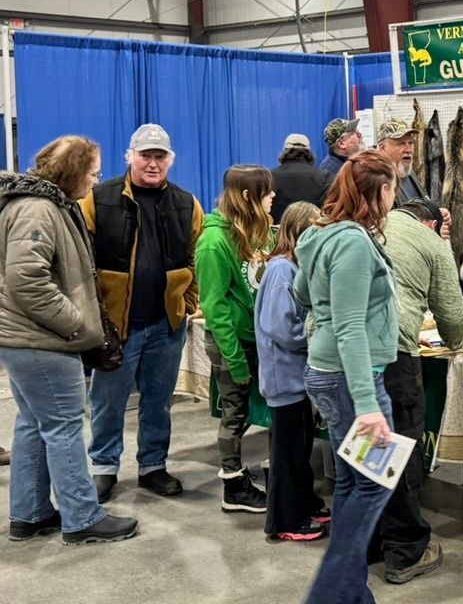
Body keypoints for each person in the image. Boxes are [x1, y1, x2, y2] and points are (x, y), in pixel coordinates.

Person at [0, 136, 138, 544]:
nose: (96, 181)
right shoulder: (38, 209)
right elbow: (27, 280)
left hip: (28, 340)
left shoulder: (37, 205)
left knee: (32, 425)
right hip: (43, 341)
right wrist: (77, 325)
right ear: (74, 171)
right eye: (93, 172)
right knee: (62, 426)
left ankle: (30, 513)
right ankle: (82, 518)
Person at [295, 150, 399, 604]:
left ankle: (351, 593)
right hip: (351, 378)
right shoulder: (353, 242)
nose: (395, 196)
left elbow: (300, 291)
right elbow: (351, 326)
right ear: (379, 192)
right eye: (393, 187)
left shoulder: (320, 234)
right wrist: (370, 404)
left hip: (327, 372)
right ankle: (330, 594)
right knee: (375, 482)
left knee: (356, 482)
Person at [80, 123, 203, 504]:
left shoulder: (187, 203)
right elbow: (79, 260)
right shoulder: (97, 199)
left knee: (157, 401)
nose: (153, 163)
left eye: (160, 156)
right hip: (117, 328)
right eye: (145, 155)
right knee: (107, 402)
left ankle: (153, 466)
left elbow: (196, 257)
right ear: (129, 156)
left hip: (166, 327)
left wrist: (188, 304)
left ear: (170, 160)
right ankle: (104, 468)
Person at [377, 197, 463, 584]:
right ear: (431, 224)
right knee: (402, 448)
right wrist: (454, 341)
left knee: (371, 449)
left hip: (343, 355)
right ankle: (405, 550)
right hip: (394, 353)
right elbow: (451, 312)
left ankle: (371, 540)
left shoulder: (364, 226)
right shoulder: (429, 241)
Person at [195, 164, 275, 513]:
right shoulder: (213, 242)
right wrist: (235, 358)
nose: (274, 196)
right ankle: (233, 484)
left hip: (264, 341)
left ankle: (277, 473)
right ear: (247, 197)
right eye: (267, 192)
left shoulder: (263, 231)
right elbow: (214, 306)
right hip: (233, 343)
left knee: (275, 408)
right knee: (235, 414)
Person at [254, 201, 329, 542]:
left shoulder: (295, 268)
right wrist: (317, 335)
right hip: (284, 379)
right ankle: (284, 520)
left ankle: (305, 502)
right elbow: (280, 327)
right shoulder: (281, 270)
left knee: (300, 451)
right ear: (299, 232)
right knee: (286, 454)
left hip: (298, 380)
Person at [270, 134, 332, 224]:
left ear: (284, 152)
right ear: (309, 152)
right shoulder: (325, 176)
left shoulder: (270, 176)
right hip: (314, 231)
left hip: (279, 233)